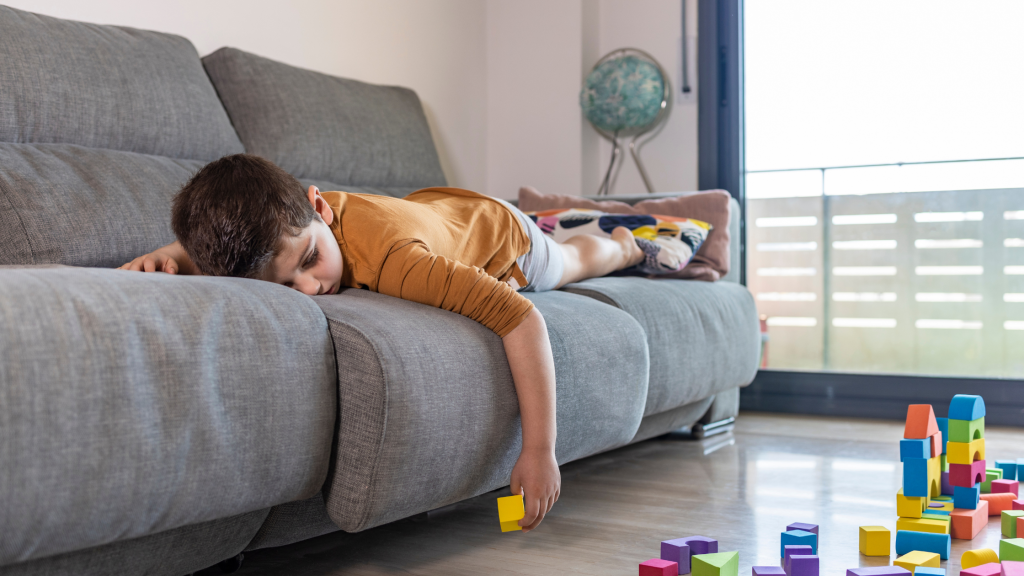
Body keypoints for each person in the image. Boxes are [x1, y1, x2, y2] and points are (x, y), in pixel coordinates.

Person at [120, 154, 643, 532]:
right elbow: (237, 247)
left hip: (503, 234)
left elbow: (522, 319)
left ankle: (619, 241)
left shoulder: (398, 262)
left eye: (308, 261)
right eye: (282, 288)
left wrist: (539, 449)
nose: (309, 289)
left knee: (572, 261)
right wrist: (168, 256)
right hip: (432, 208)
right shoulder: (290, 229)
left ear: (319, 207)